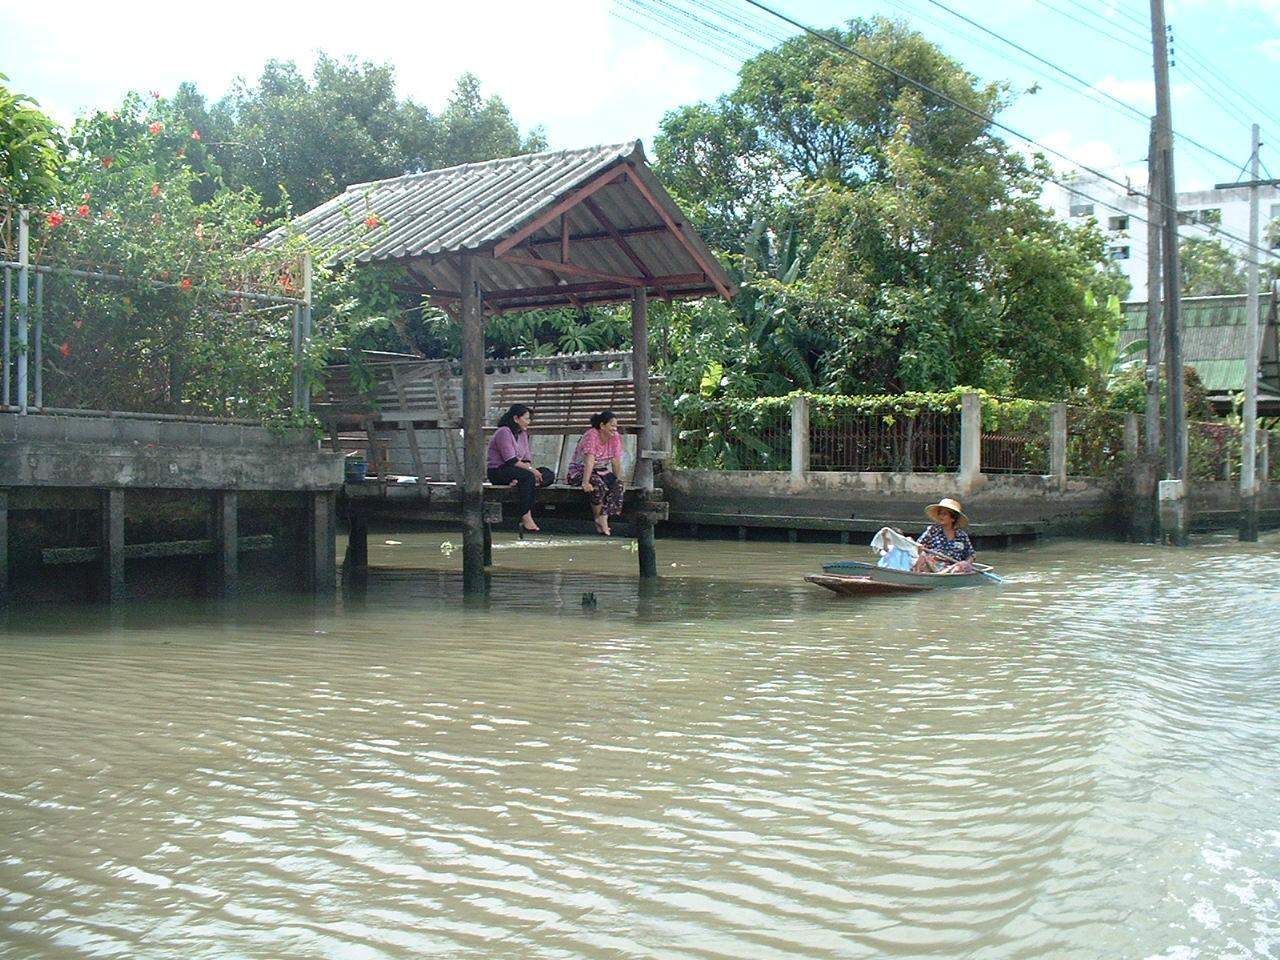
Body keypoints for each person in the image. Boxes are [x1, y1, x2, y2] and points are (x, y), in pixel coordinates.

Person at [486, 404, 554, 533]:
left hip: (517, 470)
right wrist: (531, 470)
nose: (529, 422)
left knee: (547, 474)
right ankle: (525, 515)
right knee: (528, 476)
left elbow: (526, 458)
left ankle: (522, 482)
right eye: (526, 418)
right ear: (516, 418)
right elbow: (510, 460)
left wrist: (532, 470)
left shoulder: (522, 433)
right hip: (499, 470)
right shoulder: (504, 432)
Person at [568, 410, 625, 536]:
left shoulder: (615, 437)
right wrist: (585, 482)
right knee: (598, 485)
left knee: (619, 485)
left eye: (616, 426)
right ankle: (597, 518)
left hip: (601, 471)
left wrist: (617, 480)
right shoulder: (592, 435)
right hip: (580, 472)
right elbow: (589, 461)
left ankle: (603, 517)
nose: (615, 429)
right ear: (602, 425)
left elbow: (616, 461)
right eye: (612, 425)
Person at [913, 497, 976, 574]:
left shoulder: (962, 536)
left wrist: (967, 563)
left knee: (961, 566)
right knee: (922, 556)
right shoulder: (932, 530)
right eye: (940, 514)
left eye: (944, 514)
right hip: (933, 566)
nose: (940, 516)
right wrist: (920, 549)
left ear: (952, 519)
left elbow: (971, 555)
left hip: (954, 568)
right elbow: (917, 546)